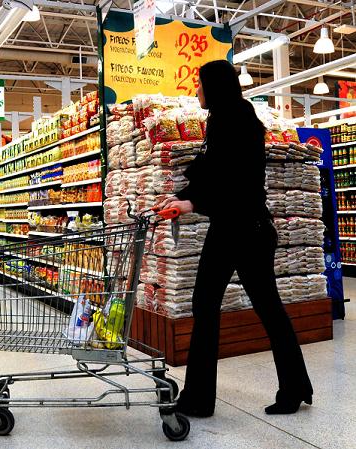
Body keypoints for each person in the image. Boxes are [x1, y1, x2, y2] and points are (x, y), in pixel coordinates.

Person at [160, 60, 313, 417]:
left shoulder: (236, 121)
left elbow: (232, 181)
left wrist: (192, 201)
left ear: (214, 86)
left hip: (243, 230)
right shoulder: (228, 117)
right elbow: (213, 171)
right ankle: (295, 387)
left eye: (199, 84)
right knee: (259, 309)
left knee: (219, 306)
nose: (195, 90)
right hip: (238, 228)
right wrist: (182, 196)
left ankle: (200, 399)